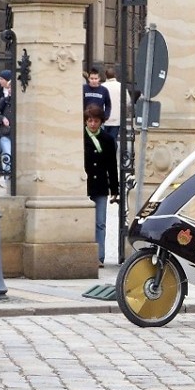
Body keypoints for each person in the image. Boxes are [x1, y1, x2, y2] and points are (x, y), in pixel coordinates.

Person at [83, 104, 119, 268]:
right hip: (85, 184)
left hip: (100, 185)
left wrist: (115, 189)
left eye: (96, 121)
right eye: (90, 120)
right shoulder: (81, 137)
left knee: (100, 223)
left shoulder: (107, 139)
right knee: (83, 222)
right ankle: (84, 254)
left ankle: (99, 256)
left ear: (101, 122)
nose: (92, 124)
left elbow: (112, 165)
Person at [102, 66, 129, 142]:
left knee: (103, 139)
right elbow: (127, 101)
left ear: (105, 75)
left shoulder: (102, 87)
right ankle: (113, 153)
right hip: (116, 118)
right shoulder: (120, 86)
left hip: (104, 118)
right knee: (113, 139)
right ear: (115, 75)